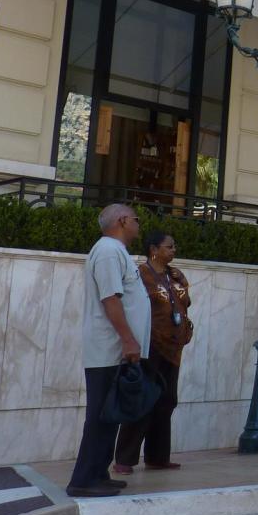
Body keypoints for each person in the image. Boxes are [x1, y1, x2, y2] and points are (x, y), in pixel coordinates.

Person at [67, 204, 150, 498]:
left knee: (110, 414)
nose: (139, 225)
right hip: (108, 349)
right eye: (136, 219)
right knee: (101, 416)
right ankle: (83, 480)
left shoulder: (116, 252)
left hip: (115, 350)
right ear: (123, 220)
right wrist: (128, 340)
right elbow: (110, 298)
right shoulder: (107, 251)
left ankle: (98, 473)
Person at [114, 230, 193, 474]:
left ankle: (158, 456)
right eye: (169, 246)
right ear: (154, 249)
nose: (173, 250)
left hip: (173, 347)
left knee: (167, 400)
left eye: (174, 246)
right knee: (143, 399)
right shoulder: (140, 274)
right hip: (150, 345)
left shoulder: (176, 276)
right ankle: (125, 459)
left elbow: (185, 303)